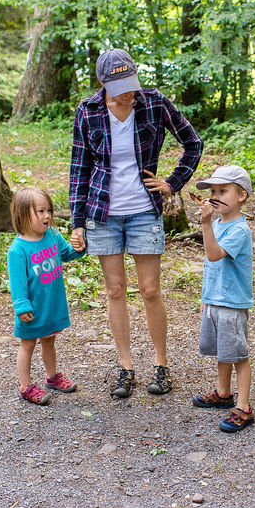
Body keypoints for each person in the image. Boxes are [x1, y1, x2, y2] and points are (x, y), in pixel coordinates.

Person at [68, 48, 203, 398]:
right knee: (114, 290)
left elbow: (193, 143)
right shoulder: (88, 111)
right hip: (103, 212)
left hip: (144, 210)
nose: (129, 93)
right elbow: (79, 169)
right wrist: (77, 221)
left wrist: (172, 183)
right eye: (120, 87)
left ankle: (161, 366)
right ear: (102, 83)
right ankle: (126, 367)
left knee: (150, 290)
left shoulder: (155, 103)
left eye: (131, 84)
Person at [189, 165, 255, 433]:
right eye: (212, 191)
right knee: (222, 352)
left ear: (241, 196)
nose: (215, 196)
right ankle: (223, 392)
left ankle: (244, 407)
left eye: (222, 191)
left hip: (231, 303)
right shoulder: (217, 224)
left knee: (238, 355)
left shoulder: (239, 230)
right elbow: (210, 265)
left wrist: (204, 224)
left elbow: (214, 255)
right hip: (215, 300)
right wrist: (206, 298)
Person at [7, 187, 86, 405]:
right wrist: (21, 306)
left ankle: (52, 377)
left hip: (51, 304)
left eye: (49, 210)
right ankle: (25, 386)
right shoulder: (18, 249)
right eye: (40, 211)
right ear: (23, 215)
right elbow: (17, 283)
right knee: (28, 345)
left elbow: (66, 254)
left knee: (50, 340)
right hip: (32, 309)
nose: (47, 216)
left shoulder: (52, 236)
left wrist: (78, 248)